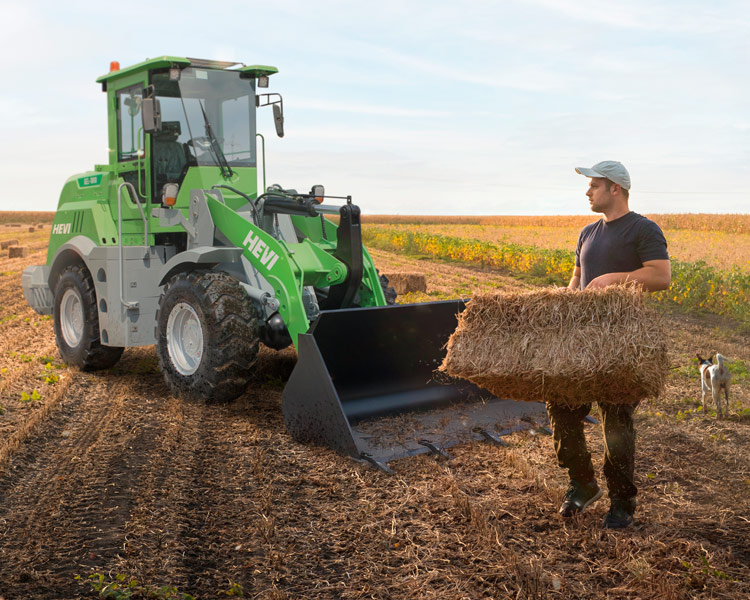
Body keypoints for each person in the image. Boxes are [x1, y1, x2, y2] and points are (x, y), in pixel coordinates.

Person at [548, 160, 671, 529]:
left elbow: (661, 276)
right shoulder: (587, 233)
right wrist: (562, 314)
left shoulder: (643, 229)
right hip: (581, 343)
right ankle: (583, 484)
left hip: (622, 344)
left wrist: (612, 280)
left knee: (616, 421)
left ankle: (622, 501)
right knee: (563, 409)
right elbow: (576, 280)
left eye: (594, 185)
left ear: (615, 188)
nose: (587, 192)